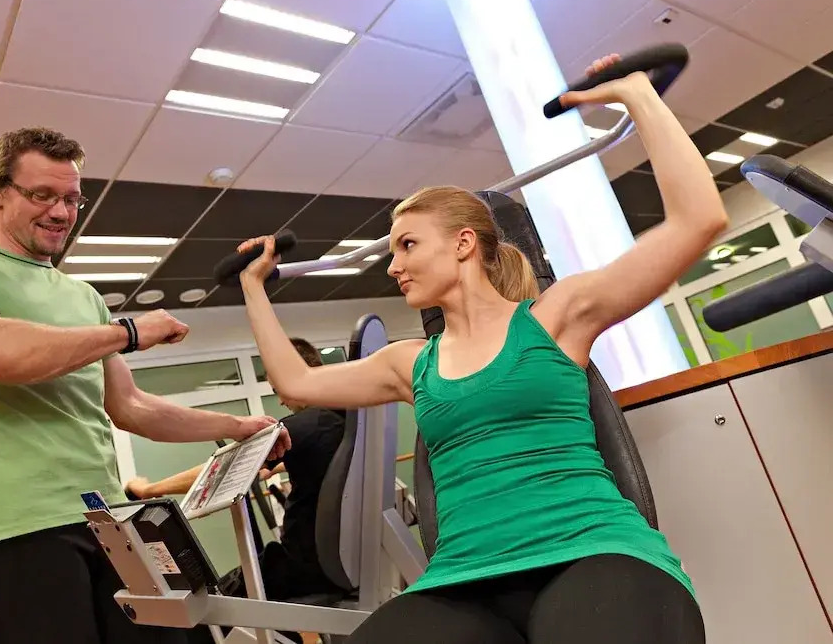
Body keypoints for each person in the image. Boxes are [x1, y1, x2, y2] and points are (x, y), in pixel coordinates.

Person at [232, 55, 726, 643]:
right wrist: (253, 286)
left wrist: (638, 96)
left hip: (592, 550)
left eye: (407, 245)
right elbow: (295, 383)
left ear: (464, 243)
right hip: (462, 581)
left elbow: (698, 220)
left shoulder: (557, 317)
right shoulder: (409, 363)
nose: (393, 266)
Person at [0, 126, 289, 644]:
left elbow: (131, 406)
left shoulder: (84, 297)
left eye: (71, 199)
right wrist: (128, 332)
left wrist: (239, 426)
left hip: (111, 520)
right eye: (42, 195)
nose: (61, 212)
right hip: (20, 526)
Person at [127, 337, 347, 605]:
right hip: (341, 561)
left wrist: (149, 489)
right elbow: (325, 458)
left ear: (291, 374)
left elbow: (217, 473)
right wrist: (276, 466)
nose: (280, 401)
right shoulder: (344, 420)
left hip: (301, 568)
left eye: (277, 389)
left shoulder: (303, 425)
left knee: (212, 603)